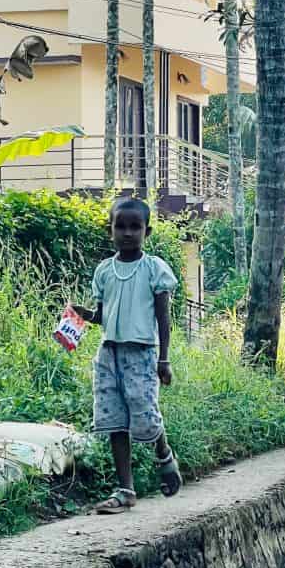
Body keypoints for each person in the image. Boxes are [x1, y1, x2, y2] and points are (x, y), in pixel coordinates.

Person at [73, 196, 182, 511]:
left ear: (147, 232)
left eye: (135, 227)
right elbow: (103, 315)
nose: (127, 233)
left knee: (144, 415)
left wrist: (164, 359)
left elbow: (163, 318)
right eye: (120, 226)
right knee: (114, 419)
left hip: (142, 355)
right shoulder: (104, 271)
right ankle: (125, 490)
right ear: (111, 230)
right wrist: (86, 315)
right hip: (109, 354)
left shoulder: (154, 269)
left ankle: (164, 454)